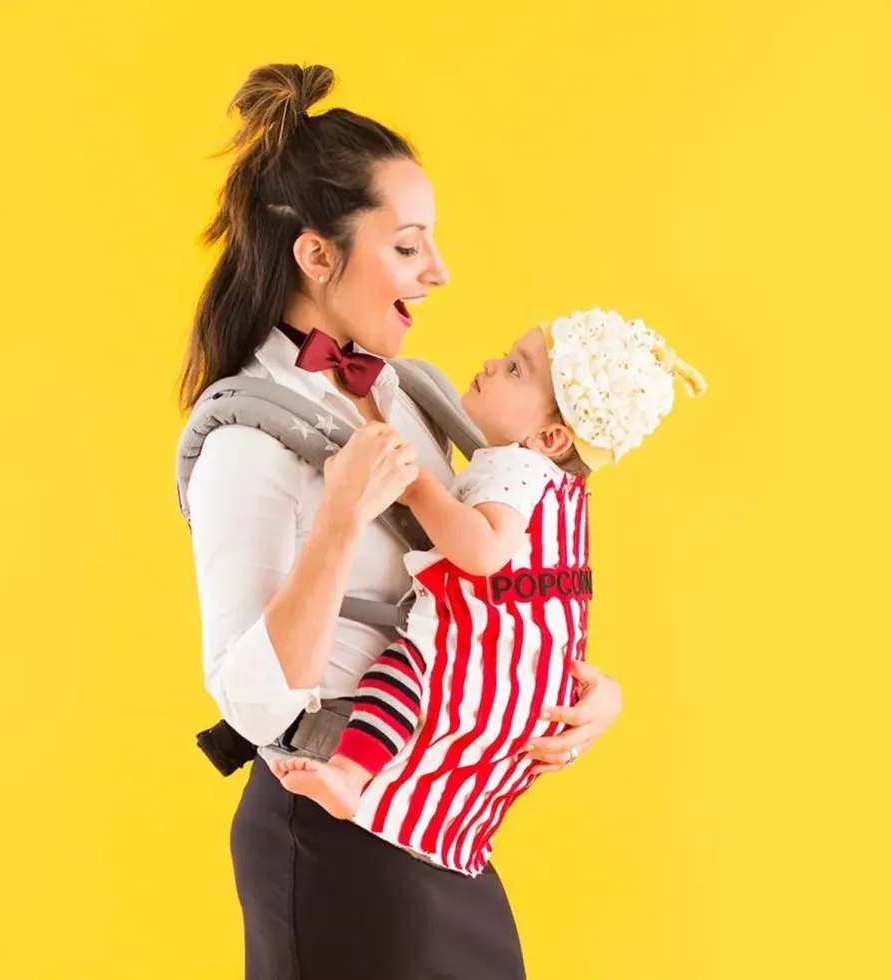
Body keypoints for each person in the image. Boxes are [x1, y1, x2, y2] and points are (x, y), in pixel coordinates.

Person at [182, 62, 624, 980]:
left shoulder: (403, 389)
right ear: (316, 255)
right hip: (333, 830)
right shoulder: (246, 439)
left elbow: (477, 583)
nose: (440, 273)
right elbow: (252, 702)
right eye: (410, 247)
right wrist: (340, 516)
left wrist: (584, 691)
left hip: (436, 820)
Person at [270, 313, 705, 876]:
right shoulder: (557, 483)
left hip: (479, 651)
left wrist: (417, 485)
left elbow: (482, 552)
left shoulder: (516, 470)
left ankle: (352, 775)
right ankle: (396, 802)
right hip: (531, 675)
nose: (491, 365)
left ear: (550, 438)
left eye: (515, 369)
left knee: (400, 677)